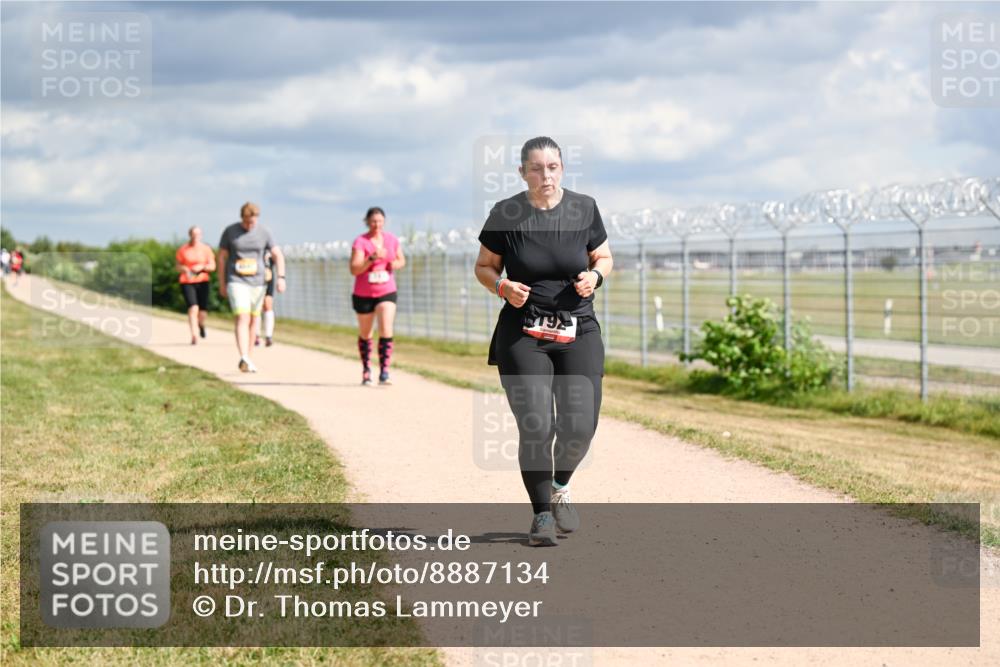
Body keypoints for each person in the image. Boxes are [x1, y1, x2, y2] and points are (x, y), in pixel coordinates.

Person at [474, 136, 613, 547]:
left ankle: (560, 485)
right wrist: (502, 287)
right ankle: (541, 517)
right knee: (537, 425)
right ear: (522, 173)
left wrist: (596, 276)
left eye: (552, 166)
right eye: (536, 168)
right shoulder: (506, 213)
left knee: (580, 426)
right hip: (523, 332)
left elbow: (603, 256)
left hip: (578, 329)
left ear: (563, 169)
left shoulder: (584, 208)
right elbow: (484, 266)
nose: (545, 175)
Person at [217, 202, 285, 372]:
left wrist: (281, 277)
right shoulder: (230, 232)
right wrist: (222, 282)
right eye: (247, 221)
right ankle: (243, 355)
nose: (250, 225)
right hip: (236, 279)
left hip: (258, 281)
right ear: (242, 218)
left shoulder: (264, 232)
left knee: (254, 319)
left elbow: (277, 254)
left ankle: (248, 357)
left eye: (253, 222)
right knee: (242, 317)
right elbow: (222, 258)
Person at [349, 206, 405, 385]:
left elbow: (401, 260)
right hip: (364, 292)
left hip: (386, 290)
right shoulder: (361, 242)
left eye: (380, 221)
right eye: (373, 221)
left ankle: (385, 371)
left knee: (386, 329)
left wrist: (392, 263)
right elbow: (354, 269)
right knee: (366, 333)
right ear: (367, 222)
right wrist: (371, 258)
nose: (376, 225)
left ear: (384, 222)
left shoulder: (391, 240)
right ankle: (366, 369)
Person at [175, 226, 216, 345]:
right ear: (190, 235)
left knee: (202, 312)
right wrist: (186, 269)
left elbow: (213, 266)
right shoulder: (183, 250)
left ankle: (201, 325)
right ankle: (194, 335)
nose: (195, 236)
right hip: (187, 281)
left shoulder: (206, 249)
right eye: (193, 234)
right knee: (193, 308)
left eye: (198, 234)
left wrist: (202, 267)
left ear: (201, 235)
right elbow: (177, 266)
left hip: (203, 281)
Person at [255, 249, 278, 347]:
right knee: (257, 307)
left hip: (268, 279)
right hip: (255, 279)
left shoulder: (270, 248)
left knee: (268, 305)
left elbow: (278, 260)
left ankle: (269, 336)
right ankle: (256, 335)